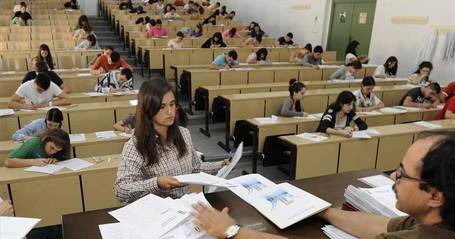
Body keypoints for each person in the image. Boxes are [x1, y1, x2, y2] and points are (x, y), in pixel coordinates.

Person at [192, 131, 455, 239]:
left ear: (435, 195)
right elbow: (381, 225)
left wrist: (232, 231)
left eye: (403, 174)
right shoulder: (432, 221)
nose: (393, 177)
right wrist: (322, 210)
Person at [114, 80, 229, 203]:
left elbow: (195, 168)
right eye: (162, 107)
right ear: (148, 109)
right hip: (157, 211)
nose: (170, 112)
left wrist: (221, 165)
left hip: (184, 206)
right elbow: (121, 190)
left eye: (172, 104)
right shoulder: (136, 145)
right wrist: (156, 183)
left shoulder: (184, 133)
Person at [6, 128, 70, 168]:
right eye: (51, 147)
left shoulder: (62, 150)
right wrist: (33, 162)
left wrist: (56, 160)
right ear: (46, 140)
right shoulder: (34, 142)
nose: (52, 152)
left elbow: (63, 160)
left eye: (57, 150)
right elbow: (8, 162)